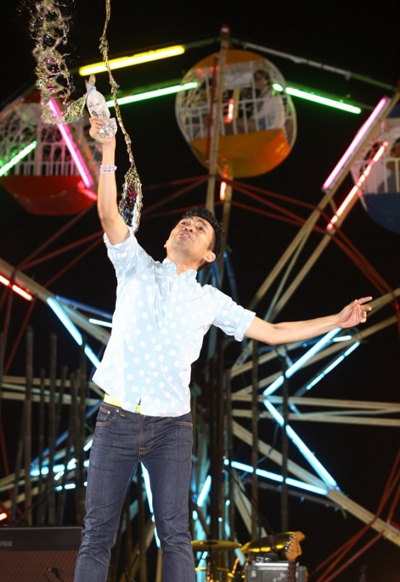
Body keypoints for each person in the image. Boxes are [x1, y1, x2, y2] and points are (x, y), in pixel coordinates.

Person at [73, 117, 372, 582]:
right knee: (97, 534)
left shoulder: (210, 301)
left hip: (171, 427)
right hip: (117, 418)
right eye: (184, 223)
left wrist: (336, 320)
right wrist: (108, 149)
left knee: (175, 534)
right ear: (167, 238)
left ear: (209, 256)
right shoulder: (134, 266)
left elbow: (272, 332)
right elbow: (110, 215)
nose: (188, 227)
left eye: (199, 229)